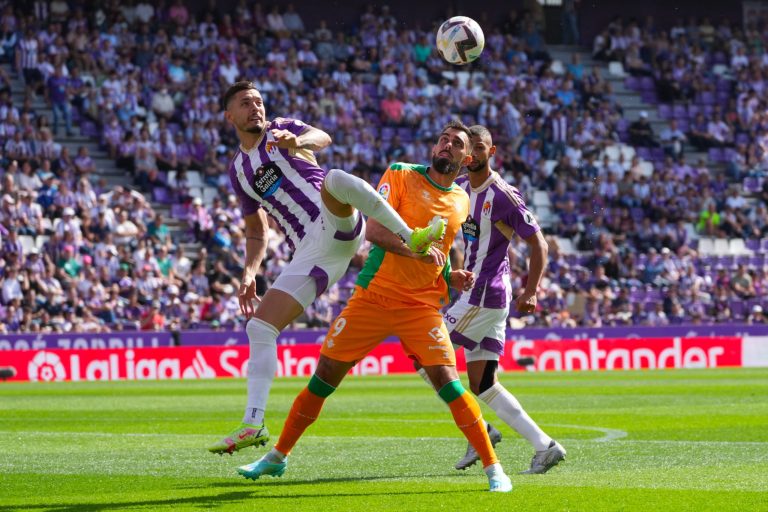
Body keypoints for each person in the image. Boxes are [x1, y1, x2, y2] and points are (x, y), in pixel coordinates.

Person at [236, 121, 513, 493]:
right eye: (443, 139)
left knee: (448, 382)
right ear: (434, 148)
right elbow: (375, 231)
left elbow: (441, 251)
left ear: (466, 158)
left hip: (421, 305)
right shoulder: (400, 174)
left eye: (456, 143)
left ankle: (495, 469)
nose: (447, 145)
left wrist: (450, 276)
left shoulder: (462, 200)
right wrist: (412, 247)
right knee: (324, 377)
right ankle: (277, 456)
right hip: (374, 294)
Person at [207, 81, 444, 455]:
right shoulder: (239, 171)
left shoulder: (280, 129)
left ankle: (411, 236)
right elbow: (256, 230)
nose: (255, 108)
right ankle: (253, 422)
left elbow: (323, 137)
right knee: (260, 326)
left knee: (334, 178)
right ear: (229, 116)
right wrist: (250, 272)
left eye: (258, 101)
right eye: (245, 103)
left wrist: (296, 143)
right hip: (311, 251)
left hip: (334, 222)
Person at [416, 125, 566, 474]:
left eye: (482, 148)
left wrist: (532, 290)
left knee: (424, 354)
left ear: (491, 152)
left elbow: (538, 243)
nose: (475, 154)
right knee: (483, 383)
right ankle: (545, 446)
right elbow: (454, 238)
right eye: (472, 149)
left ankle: (479, 430)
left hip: (485, 294)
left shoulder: (503, 196)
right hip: (476, 292)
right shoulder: (463, 189)